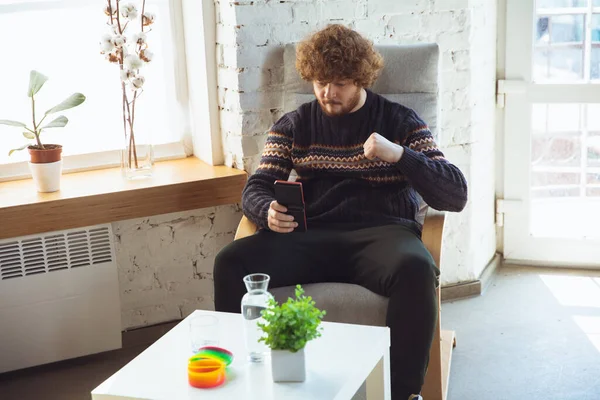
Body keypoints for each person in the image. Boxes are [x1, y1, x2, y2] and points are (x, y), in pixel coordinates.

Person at [213, 24, 468, 400]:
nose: (328, 93)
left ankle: (403, 394)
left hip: (382, 235)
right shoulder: (294, 124)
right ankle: (244, 380)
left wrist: (400, 155)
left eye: (340, 83)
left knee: (416, 268)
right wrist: (265, 210)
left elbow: (455, 192)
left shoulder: (401, 121)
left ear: (362, 79)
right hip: (310, 235)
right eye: (319, 82)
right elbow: (258, 184)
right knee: (231, 261)